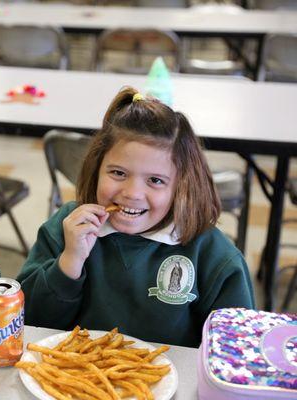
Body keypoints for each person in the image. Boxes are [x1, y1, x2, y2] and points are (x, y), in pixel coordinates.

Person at [17, 87, 254, 347]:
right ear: (96, 169)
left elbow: (236, 350)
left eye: (155, 180)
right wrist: (69, 262)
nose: (132, 193)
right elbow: (25, 323)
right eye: (118, 173)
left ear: (181, 186)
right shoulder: (67, 227)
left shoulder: (211, 254)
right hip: (73, 382)